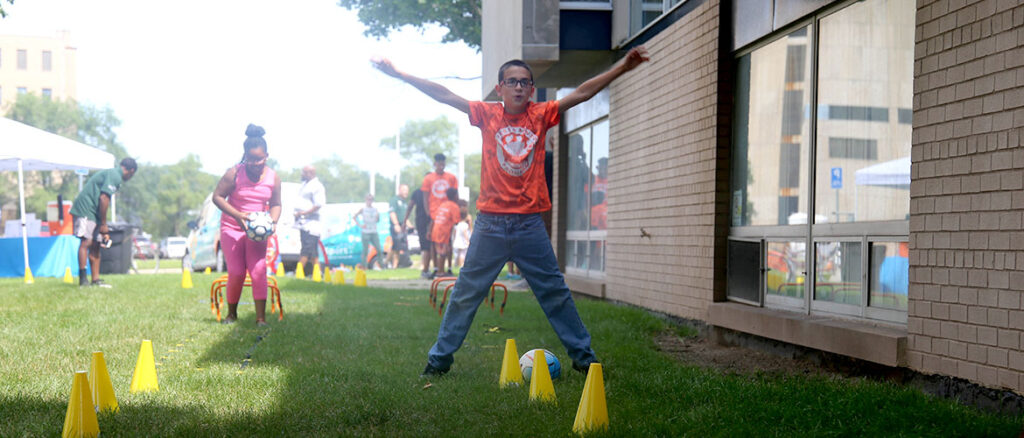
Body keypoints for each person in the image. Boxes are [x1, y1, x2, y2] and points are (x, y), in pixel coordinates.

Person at [373, 45, 650, 377]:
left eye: (524, 82)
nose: (519, 87)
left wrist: (622, 67)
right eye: (512, 81)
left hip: (529, 226)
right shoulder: (486, 114)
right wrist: (400, 74)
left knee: (554, 292)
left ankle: (584, 359)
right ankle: (438, 361)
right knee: (465, 294)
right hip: (489, 225)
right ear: (500, 87)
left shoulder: (541, 114)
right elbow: (443, 94)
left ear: (531, 90)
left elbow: (582, 93)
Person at [212, 124, 282, 326]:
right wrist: (238, 216)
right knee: (236, 271)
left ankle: (260, 318)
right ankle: (231, 314)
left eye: (258, 159)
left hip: (257, 232)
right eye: (250, 159)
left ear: (266, 156)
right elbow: (217, 197)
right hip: (232, 227)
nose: (254, 163)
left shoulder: (273, 177)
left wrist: (273, 221)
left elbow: (276, 204)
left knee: (259, 269)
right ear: (244, 156)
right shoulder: (233, 173)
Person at [69, 157, 138, 287]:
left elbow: (103, 201)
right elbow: (104, 198)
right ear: (131, 171)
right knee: (87, 241)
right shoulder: (115, 175)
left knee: (96, 244)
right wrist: (104, 224)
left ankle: (95, 279)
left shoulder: (113, 175)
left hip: (95, 212)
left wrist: (101, 223)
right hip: (85, 209)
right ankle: (83, 279)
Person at [294, 165, 326, 275]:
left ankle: (298, 272)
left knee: (306, 250)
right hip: (303, 223)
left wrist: (304, 212)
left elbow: (318, 204)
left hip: (312, 224)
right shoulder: (304, 185)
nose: (302, 175)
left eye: (304, 172)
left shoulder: (317, 186)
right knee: (312, 251)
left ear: (311, 173)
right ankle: (319, 272)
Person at [431, 188, 461, 278]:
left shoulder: (443, 204)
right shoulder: (454, 206)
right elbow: (456, 221)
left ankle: (439, 271)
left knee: (440, 251)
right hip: (444, 231)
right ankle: (440, 273)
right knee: (443, 252)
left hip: (436, 229)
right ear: (455, 196)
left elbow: (435, 218)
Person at [403, 187, 433, 278]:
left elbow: (410, 206)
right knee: (428, 246)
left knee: (427, 246)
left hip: (423, 221)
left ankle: (429, 269)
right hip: (425, 221)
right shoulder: (421, 192)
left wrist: (405, 220)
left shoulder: (418, 192)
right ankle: (427, 269)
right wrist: (405, 220)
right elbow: (410, 206)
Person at [354, 193, 384, 270]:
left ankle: (382, 265)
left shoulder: (375, 209)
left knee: (379, 249)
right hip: (365, 232)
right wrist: (360, 225)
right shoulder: (363, 209)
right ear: (366, 200)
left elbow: (377, 220)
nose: (369, 201)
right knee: (365, 250)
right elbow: (354, 217)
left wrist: (378, 217)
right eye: (368, 199)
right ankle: (364, 266)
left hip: (373, 231)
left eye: (371, 200)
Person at [388, 184, 411, 269]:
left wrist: (410, 226)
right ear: (399, 190)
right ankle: (393, 265)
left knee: (399, 247)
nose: (406, 192)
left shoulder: (405, 202)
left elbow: (405, 217)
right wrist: (396, 224)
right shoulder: (394, 200)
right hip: (397, 226)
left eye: (407, 190)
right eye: (404, 190)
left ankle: (387, 263)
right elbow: (392, 213)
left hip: (403, 227)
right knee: (396, 247)